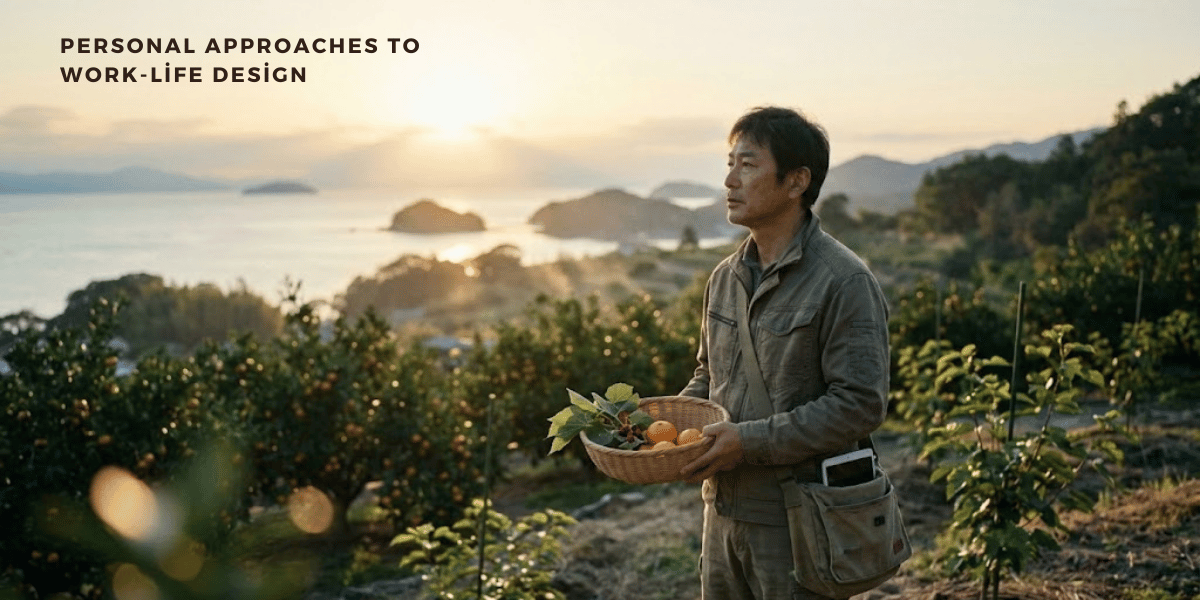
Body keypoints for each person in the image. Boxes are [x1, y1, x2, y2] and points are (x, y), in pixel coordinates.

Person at [678, 106, 891, 600]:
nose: (730, 180)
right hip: (723, 515)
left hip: (798, 521)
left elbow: (860, 404)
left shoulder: (843, 281)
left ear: (796, 181)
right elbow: (709, 374)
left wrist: (747, 441)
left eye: (748, 165)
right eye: (729, 163)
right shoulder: (724, 278)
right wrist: (660, 427)